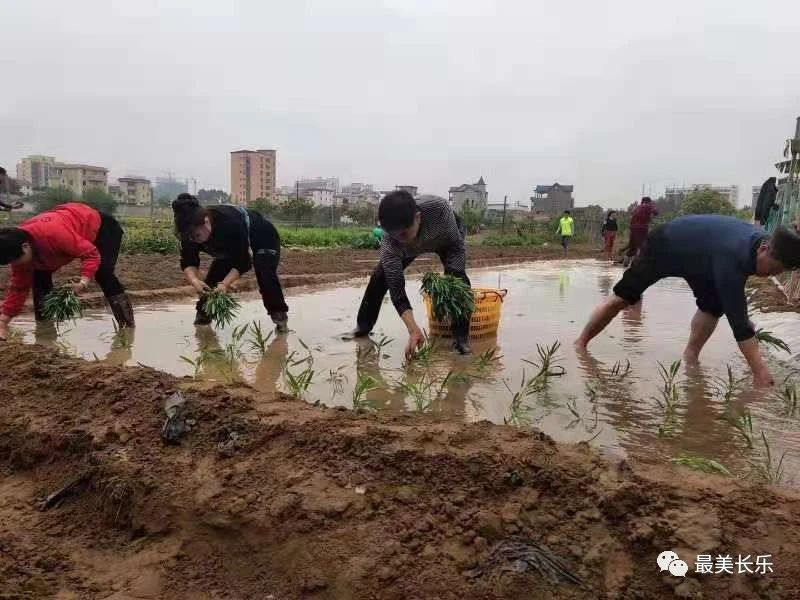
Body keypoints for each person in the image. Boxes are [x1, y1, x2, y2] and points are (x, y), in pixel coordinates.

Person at [575, 215, 800, 386]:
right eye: (772, 268)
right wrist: (762, 374)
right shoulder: (732, 256)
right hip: (666, 245)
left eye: (778, 273)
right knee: (622, 299)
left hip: (702, 259)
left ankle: (691, 357)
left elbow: (737, 312)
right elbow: (739, 324)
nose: (770, 275)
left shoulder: (755, 246)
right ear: (764, 248)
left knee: (713, 306)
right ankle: (580, 344)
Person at [349, 191, 472, 357]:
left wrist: (455, 271)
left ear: (418, 217)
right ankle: (362, 327)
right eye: (392, 235)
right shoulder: (391, 241)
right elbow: (397, 290)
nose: (397, 239)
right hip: (410, 247)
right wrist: (413, 329)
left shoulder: (439, 209)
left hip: (445, 239)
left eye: (402, 234)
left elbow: (456, 247)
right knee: (379, 279)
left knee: (458, 281)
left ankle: (461, 339)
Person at [0, 202, 134, 340]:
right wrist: (3, 322)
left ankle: (127, 329)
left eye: (15, 260)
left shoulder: (55, 234)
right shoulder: (16, 247)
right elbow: (19, 288)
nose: (14, 265)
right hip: (65, 227)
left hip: (101, 228)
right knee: (39, 277)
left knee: (103, 273)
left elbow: (91, 254)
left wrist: (83, 282)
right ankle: (45, 334)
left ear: (25, 246)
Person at [172, 193, 289, 332]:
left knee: (265, 273)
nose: (194, 240)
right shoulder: (189, 233)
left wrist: (225, 285)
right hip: (227, 246)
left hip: (263, 237)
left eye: (197, 236)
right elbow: (188, 260)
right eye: (190, 237)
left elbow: (243, 261)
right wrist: (194, 280)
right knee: (211, 283)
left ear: (206, 222)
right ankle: (203, 320)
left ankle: (280, 320)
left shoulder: (229, 222)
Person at [625, 197, 658, 265]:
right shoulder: (648, 206)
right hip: (642, 228)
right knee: (641, 246)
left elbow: (632, 217)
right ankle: (635, 264)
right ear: (648, 202)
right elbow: (655, 212)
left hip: (633, 228)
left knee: (632, 246)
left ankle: (626, 263)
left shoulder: (637, 207)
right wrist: (651, 216)